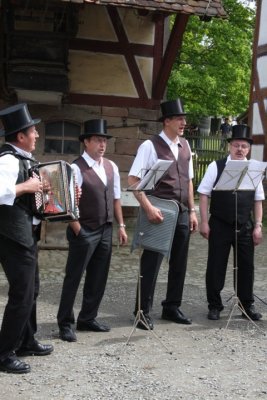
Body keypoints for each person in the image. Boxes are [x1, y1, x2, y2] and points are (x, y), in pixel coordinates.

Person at [128, 98, 198, 330]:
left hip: (182, 212)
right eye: (179, 119)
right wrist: (148, 208)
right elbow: (133, 180)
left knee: (179, 263)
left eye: (184, 119)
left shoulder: (185, 146)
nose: (184, 122)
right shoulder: (149, 146)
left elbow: (188, 181)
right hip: (159, 209)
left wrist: (193, 211)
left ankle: (171, 306)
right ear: (166, 121)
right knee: (152, 262)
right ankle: (141, 311)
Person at [57, 119, 128, 342]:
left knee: (98, 277)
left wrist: (121, 225)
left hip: (106, 228)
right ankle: (65, 323)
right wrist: (79, 231)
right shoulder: (76, 168)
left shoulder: (111, 166)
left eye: (104, 140)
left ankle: (88, 318)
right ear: (86, 142)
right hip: (84, 229)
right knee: (74, 277)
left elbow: (116, 198)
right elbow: (66, 204)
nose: (102, 144)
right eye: (98, 140)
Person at [0, 103, 54, 374]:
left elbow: (31, 199)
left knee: (32, 291)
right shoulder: (8, 160)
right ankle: (3, 353)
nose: (37, 136)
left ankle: (27, 341)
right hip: (12, 236)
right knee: (21, 294)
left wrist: (44, 195)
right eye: (33, 131)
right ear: (20, 136)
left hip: (26, 234)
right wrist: (26, 187)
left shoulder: (26, 160)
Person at [198, 124, 264, 321]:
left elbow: (258, 199)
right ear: (230, 146)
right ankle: (215, 305)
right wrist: (204, 222)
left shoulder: (254, 169)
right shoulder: (215, 166)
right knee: (216, 264)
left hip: (245, 224)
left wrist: (258, 225)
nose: (240, 150)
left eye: (244, 146)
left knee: (246, 266)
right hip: (219, 222)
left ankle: (246, 305)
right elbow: (203, 194)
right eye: (236, 145)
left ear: (249, 148)